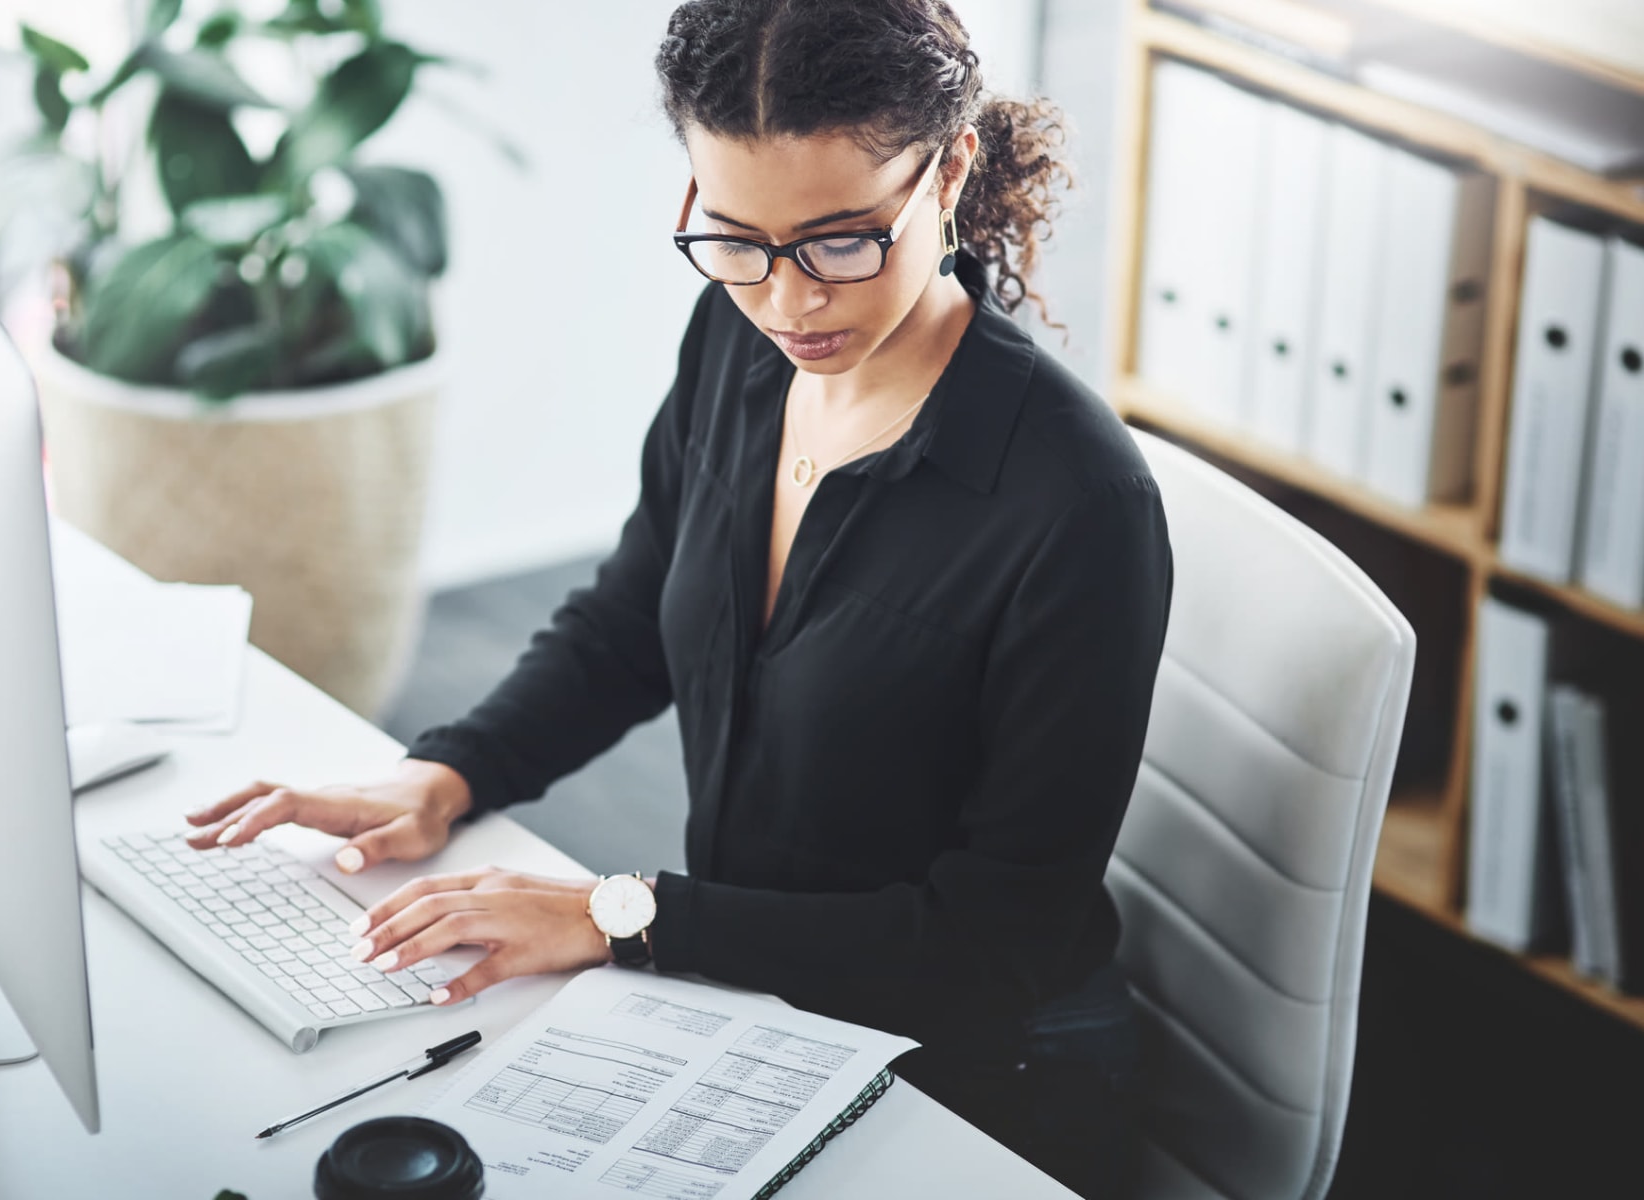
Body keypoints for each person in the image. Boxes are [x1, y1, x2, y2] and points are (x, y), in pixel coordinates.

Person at [184, 2, 1173, 1195]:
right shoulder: (737, 338)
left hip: (978, 1071)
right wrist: (444, 775)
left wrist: (625, 917)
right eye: (736, 237)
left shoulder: (1073, 504)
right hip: (758, 998)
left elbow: (990, 947)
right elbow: (632, 615)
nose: (788, 302)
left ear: (950, 168)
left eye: (842, 242)